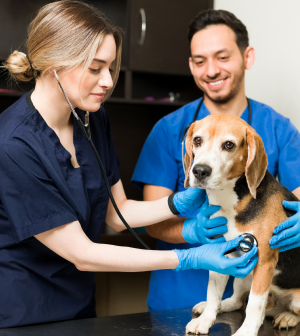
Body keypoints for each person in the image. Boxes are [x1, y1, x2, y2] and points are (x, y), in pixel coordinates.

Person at [0, 1, 259, 329]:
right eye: (96, 68)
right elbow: (82, 253)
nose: (108, 81)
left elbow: (117, 213)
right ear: (54, 64)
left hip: (78, 306)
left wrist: (175, 203)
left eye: (110, 67)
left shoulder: (92, 119)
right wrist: (187, 257)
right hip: (21, 312)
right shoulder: (14, 145)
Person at [132, 9, 300, 312]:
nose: (211, 70)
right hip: (178, 299)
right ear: (191, 66)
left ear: (247, 57)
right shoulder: (169, 129)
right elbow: (150, 221)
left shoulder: (278, 129)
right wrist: (190, 230)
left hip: (254, 299)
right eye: (199, 61)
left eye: (222, 57)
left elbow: (296, 198)